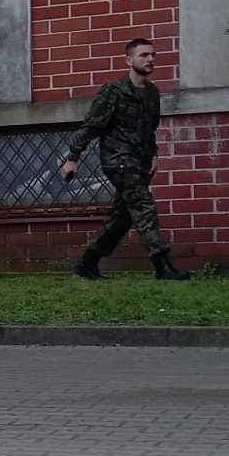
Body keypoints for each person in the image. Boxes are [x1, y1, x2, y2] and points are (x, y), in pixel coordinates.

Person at [62, 38, 191, 281]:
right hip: (118, 160)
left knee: (122, 217)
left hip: (140, 161)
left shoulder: (152, 92)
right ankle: (162, 266)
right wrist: (72, 158)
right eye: (144, 55)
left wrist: (154, 155)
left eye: (152, 55)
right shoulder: (113, 91)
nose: (150, 59)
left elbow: (150, 129)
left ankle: (88, 263)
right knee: (143, 206)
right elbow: (91, 126)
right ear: (129, 60)